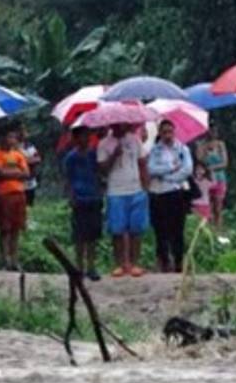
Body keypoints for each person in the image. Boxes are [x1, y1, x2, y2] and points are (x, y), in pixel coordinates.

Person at [97, 123, 150, 278]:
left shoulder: (135, 140)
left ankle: (134, 263)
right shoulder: (104, 144)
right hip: (116, 190)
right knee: (118, 230)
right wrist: (114, 155)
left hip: (136, 189)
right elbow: (102, 169)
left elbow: (142, 163)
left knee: (136, 229)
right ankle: (121, 264)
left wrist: (145, 187)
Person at [147, 119, 194, 273]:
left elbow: (187, 170)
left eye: (170, 131)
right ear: (160, 133)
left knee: (177, 229)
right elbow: (151, 169)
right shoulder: (155, 150)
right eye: (164, 132)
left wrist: (169, 177)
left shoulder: (182, 149)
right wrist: (171, 168)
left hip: (176, 192)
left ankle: (179, 261)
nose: (168, 135)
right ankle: (164, 260)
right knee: (160, 230)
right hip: (158, 193)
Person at [62, 126, 103, 281]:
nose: (85, 139)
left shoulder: (94, 154)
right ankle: (79, 267)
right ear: (75, 138)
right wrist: (71, 197)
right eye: (82, 136)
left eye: (87, 136)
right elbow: (68, 179)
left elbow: (99, 172)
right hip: (79, 199)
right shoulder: (71, 158)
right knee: (79, 236)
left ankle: (91, 266)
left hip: (94, 197)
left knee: (93, 235)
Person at [0, 126, 30, 271]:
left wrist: (11, 172)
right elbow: (1, 173)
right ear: (2, 139)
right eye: (8, 137)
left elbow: (26, 173)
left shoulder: (19, 155)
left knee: (16, 228)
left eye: (13, 137)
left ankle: (14, 259)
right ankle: (4, 259)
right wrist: (16, 171)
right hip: (3, 194)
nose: (11, 140)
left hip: (19, 193)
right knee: (4, 229)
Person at [196, 124, 230, 228]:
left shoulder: (220, 144)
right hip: (206, 179)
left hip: (219, 178)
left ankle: (218, 229)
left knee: (218, 207)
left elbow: (225, 163)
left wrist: (212, 167)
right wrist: (205, 151)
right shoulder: (201, 145)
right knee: (207, 207)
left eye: (214, 131)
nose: (212, 133)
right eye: (210, 130)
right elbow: (199, 159)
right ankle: (209, 230)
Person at [19, 124, 42, 206]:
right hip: (20, 180)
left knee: (30, 201)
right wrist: (27, 161)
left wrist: (27, 161)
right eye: (21, 131)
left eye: (25, 131)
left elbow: (38, 158)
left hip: (31, 178)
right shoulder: (15, 147)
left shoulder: (30, 145)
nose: (24, 134)